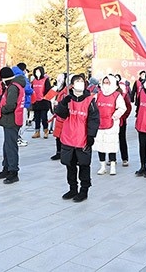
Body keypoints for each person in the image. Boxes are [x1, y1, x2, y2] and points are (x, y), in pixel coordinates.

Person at [54, 73, 100, 202]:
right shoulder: (67, 99)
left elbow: (94, 119)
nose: (80, 84)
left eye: (82, 81)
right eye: (77, 81)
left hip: (82, 139)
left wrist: (91, 135)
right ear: (72, 85)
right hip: (68, 137)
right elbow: (60, 114)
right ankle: (72, 188)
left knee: (84, 166)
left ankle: (84, 190)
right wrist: (64, 103)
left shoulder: (90, 100)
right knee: (70, 165)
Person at [0, 66, 26, 184]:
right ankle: (6, 168)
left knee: (11, 146)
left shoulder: (13, 87)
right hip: (11, 120)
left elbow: (11, 105)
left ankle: (13, 172)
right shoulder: (15, 85)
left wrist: (1, 109)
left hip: (11, 120)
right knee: (7, 146)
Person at [94, 75, 127, 176]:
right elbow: (92, 106)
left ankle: (112, 166)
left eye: (107, 83)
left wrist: (115, 116)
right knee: (101, 145)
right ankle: (102, 166)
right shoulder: (98, 95)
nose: (105, 85)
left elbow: (122, 108)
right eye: (104, 83)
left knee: (111, 145)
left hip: (112, 124)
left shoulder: (117, 95)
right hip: (100, 124)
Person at [31, 66, 52, 139]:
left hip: (44, 101)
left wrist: (46, 98)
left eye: (39, 72)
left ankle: (46, 131)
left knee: (44, 118)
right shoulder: (33, 81)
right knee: (36, 118)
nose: (37, 73)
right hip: (35, 101)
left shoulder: (45, 80)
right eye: (36, 72)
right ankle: (37, 132)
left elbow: (49, 90)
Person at [16, 62, 33, 146]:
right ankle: (18, 138)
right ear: (24, 70)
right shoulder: (22, 78)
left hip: (17, 103)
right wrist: (32, 90)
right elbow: (27, 89)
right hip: (23, 102)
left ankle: (17, 138)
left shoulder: (14, 75)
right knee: (21, 122)